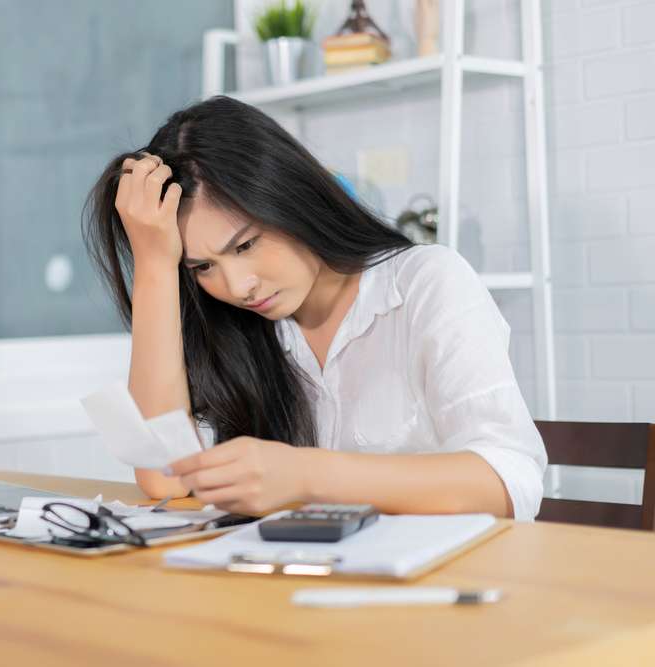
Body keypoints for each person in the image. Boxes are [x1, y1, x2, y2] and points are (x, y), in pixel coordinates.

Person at [82, 96, 546, 521]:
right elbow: (165, 476)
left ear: (290, 198)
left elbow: (509, 481)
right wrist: (155, 266)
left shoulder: (425, 283)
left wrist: (307, 475)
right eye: (203, 266)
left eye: (245, 245)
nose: (239, 286)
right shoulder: (243, 328)